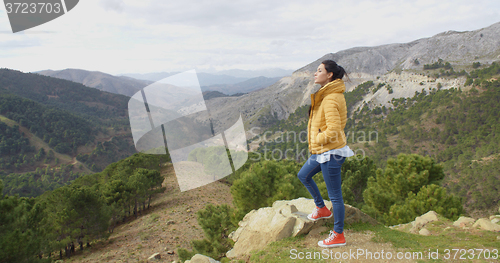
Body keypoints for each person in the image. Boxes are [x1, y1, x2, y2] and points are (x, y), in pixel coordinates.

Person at [297, 59, 354, 248]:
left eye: (319, 70)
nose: (315, 73)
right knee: (303, 175)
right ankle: (321, 208)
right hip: (323, 151)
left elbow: (334, 130)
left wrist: (317, 139)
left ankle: (338, 234)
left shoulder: (330, 98)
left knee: (335, 195)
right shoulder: (327, 94)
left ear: (329, 74)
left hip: (331, 153)